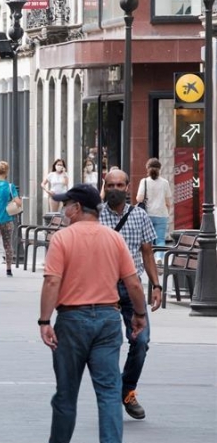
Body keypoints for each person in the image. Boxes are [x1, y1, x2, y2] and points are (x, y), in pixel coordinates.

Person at [39, 183, 148, 443]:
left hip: (72, 320)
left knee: (66, 393)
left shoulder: (62, 238)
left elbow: (52, 282)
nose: (64, 209)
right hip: (108, 320)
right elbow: (133, 282)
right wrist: (140, 315)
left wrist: (44, 321)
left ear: (77, 208)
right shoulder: (114, 238)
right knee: (109, 392)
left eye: (66, 205)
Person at [99, 169, 163, 420]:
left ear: (128, 187)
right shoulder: (94, 216)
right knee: (107, 345)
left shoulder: (139, 216)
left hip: (132, 288)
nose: (115, 188)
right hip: (102, 290)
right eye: (110, 184)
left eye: (120, 184)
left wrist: (156, 285)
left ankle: (127, 389)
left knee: (142, 341)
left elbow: (147, 252)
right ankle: (109, 393)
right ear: (105, 187)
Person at [136, 158, 173, 263]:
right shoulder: (165, 183)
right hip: (162, 214)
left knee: (148, 239)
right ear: (159, 169)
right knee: (160, 239)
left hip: (147, 214)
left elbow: (139, 199)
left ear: (147, 169)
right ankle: (159, 258)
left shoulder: (144, 182)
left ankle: (149, 258)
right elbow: (168, 200)